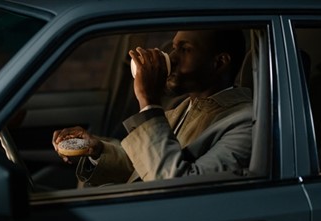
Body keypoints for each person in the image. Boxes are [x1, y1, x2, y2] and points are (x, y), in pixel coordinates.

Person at [52, 29, 252, 187]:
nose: (172, 58)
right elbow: (145, 165)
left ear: (219, 63)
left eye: (185, 49)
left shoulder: (247, 123)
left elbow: (178, 186)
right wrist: (98, 149)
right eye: (174, 48)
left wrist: (148, 101)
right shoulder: (183, 108)